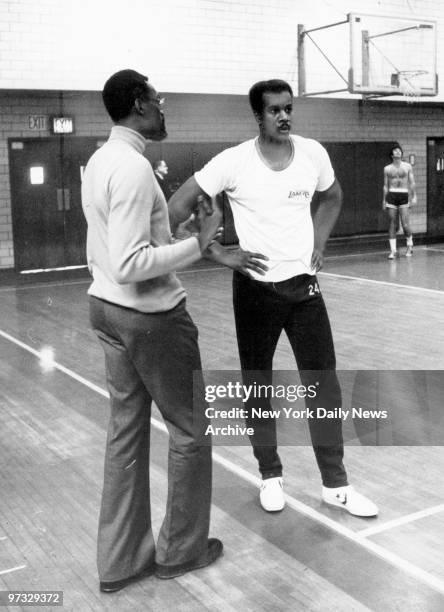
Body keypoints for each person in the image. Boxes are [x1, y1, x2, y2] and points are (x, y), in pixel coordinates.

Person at [169, 79, 378, 518]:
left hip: (304, 288)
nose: (284, 116)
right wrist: (216, 252)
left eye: (288, 108)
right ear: (257, 117)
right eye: (274, 110)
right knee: (257, 385)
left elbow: (333, 196)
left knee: (324, 386)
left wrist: (318, 241)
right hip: (255, 290)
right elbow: (174, 209)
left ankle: (336, 486)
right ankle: (270, 475)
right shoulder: (233, 162)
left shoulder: (313, 155)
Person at [81, 69, 223, 593]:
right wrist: (198, 245)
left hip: (107, 311)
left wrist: (172, 234)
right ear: (140, 104)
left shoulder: (100, 161)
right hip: (151, 318)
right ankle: (181, 551)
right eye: (159, 100)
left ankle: (119, 562)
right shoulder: (135, 167)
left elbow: (122, 245)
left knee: (125, 435)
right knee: (190, 430)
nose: (164, 108)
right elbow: (131, 261)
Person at [383, 145, 417, 259]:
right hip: (392, 194)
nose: (398, 152)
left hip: (403, 194)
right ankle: (393, 250)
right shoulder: (387, 168)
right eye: (395, 151)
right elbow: (385, 185)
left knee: (405, 223)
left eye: (399, 151)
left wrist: (414, 196)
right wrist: (384, 199)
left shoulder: (407, 166)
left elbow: (412, 182)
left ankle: (410, 245)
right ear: (392, 155)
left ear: (401, 154)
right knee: (392, 223)